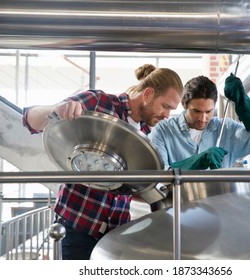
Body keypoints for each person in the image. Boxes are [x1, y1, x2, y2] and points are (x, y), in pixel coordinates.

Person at [22, 64, 183, 259]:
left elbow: (130, 187)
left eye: (171, 110)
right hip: (79, 227)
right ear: (148, 94)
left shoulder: (145, 134)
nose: (166, 115)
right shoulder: (98, 102)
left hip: (116, 232)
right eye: (165, 106)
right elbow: (29, 118)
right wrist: (57, 109)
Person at [148, 74, 250, 170]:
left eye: (208, 112)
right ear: (184, 104)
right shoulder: (163, 130)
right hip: (179, 202)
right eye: (196, 111)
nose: (203, 119)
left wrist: (244, 104)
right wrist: (196, 162)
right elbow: (160, 177)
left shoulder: (227, 129)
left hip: (219, 201)